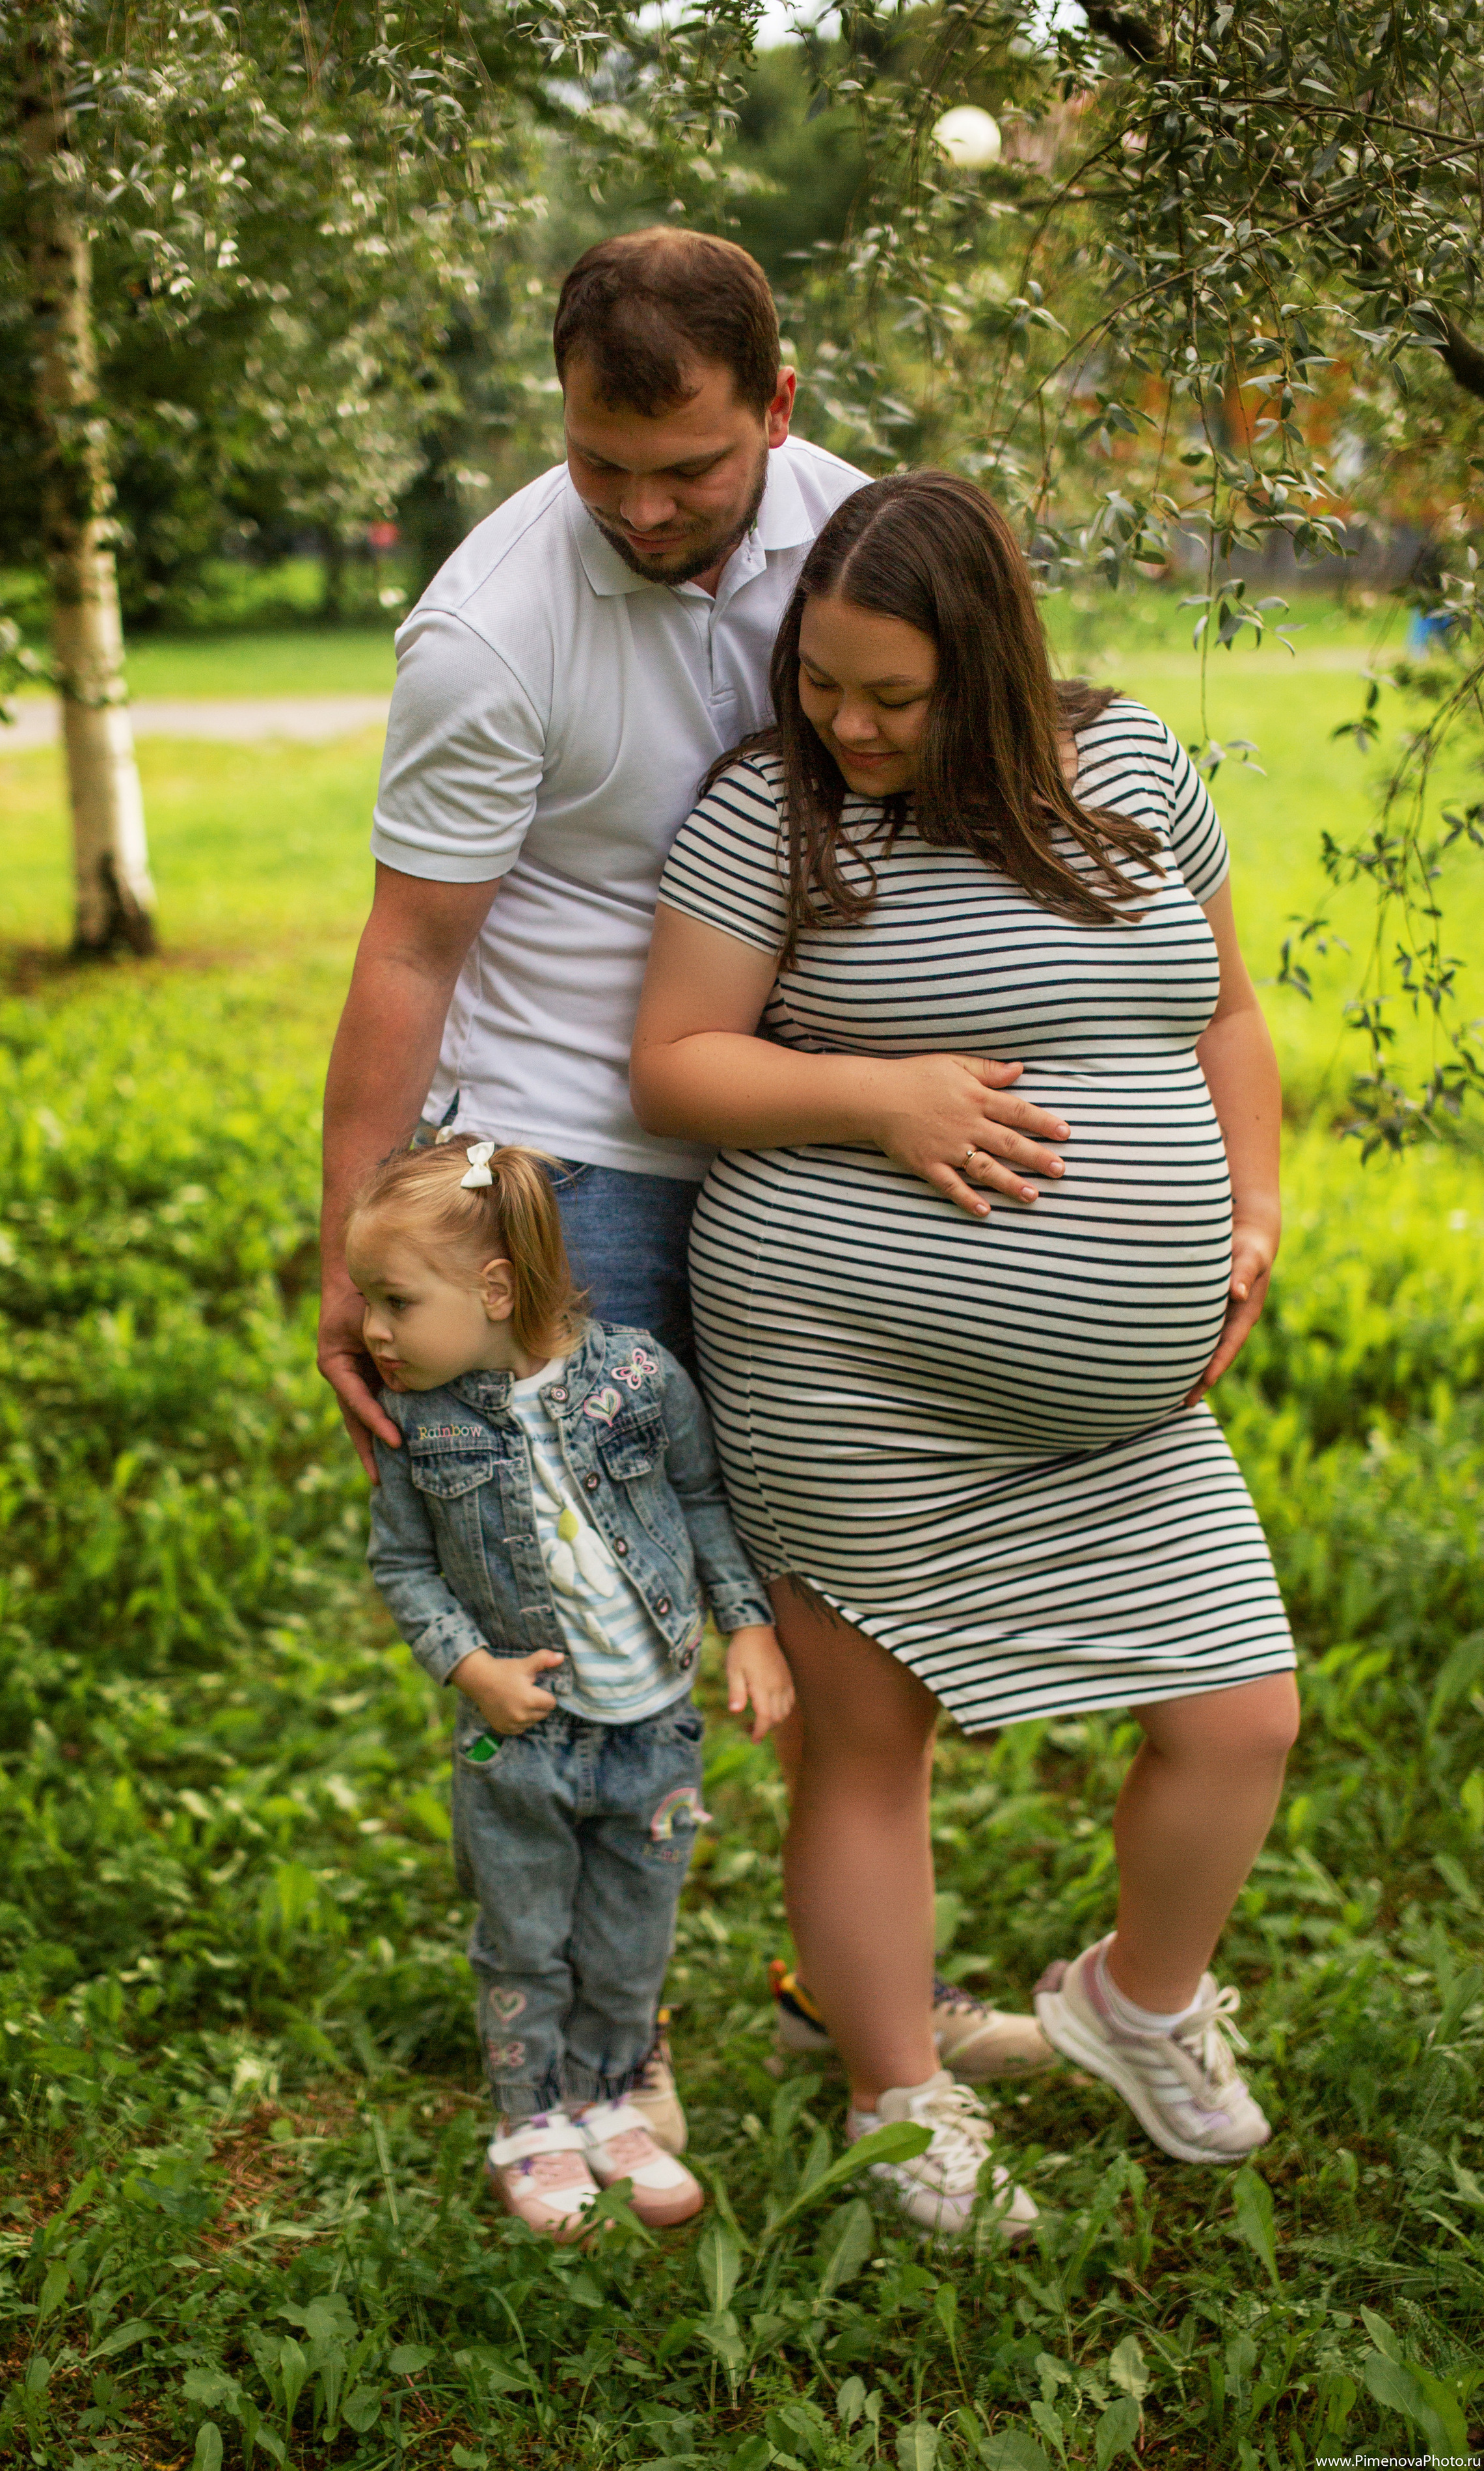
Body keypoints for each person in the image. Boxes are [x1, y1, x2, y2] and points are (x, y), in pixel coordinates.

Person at [319, 225, 1053, 2081]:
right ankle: (589, 2039)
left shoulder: (865, 540)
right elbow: (410, 946)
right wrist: (352, 1237)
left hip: (813, 1130)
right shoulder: (493, 633)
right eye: (601, 466)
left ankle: (853, 1984)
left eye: (691, 471)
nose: (644, 512)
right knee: (582, 1604)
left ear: (781, 410)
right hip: (578, 1166)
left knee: (836, 1587)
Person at [632, 471, 1300, 2241]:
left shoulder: (1134, 769)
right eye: (822, 683)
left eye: (892, 696)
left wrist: (1249, 1208)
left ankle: (1139, 2006)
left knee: (1242, 1714)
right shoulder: (773, 810)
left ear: (990, 668)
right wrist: (881, 1093)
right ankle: (893, 2097)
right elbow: (679, 1060)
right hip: (845, 1370)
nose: (846, 722)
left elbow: (1222, 1010)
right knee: (870, 1744)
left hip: (1119, 1419)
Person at [349, 1134, 794, 2237]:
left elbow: (699, 1501)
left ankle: (606, 2099)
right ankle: (528, 2123)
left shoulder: (640, 1376)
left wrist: (748, 1627)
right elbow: (402, 1564)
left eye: (394, 1300)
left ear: (494, 1288)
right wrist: (469, 1667)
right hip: (524, 1742)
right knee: (525, 1933)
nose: (369, 1329)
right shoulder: (422, 1422)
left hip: (653, 1730)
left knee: (631, 1934)